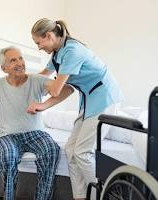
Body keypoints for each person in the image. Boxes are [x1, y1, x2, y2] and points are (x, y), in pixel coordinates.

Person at [28, 18, 124, 200]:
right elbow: (44, 77)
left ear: (48, 36)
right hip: (90, 102)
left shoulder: (72, 51)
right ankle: (80, 196)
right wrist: (23, 82)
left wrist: (42, 104)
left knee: (82, 152)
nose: (39, 47)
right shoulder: (57, 54)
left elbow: (57, 89)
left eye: (38, 42)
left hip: (105, 99)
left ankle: (106, 195)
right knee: (71, 150)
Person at [0, 46, 73, 200]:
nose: (20, 63)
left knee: (51, 150)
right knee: (9, 156)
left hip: (35, 134)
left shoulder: (37, 80)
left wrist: (44, 105)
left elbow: (67, 89)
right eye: (13, 60)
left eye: (21, 58)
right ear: (4, 68)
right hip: (8, 136)